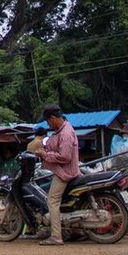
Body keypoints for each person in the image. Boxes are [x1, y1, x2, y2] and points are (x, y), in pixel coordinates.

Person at [37, 104, 81, 246]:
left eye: (48, 120)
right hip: (63, 171)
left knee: (52, 201)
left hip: (65, 173)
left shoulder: (66, 133)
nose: (48, 123)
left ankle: (56, 236)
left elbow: (65, 157)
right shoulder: (61, 130)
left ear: (54, 118)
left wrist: (45, 154)